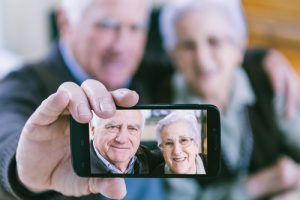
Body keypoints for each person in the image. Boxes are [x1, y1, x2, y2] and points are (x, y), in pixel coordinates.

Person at [0, 0, 299, 199]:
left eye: (136, 28)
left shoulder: (143, 71)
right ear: (65, 22)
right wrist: (21, 169)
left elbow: (208, 59)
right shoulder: (23, 84)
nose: (123, 44)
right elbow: (8, 131)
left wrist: (266, 58)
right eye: (107, 25)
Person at [159, 0, 300, 199]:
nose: (202, 58)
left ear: (239, 47)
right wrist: (259, 185)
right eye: (188, 46)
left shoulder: (269, 81)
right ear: (173, 55)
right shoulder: (163, 111)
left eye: (214, 41)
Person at [90, 110, 162, 174]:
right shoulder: (81, 168)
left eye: (132, 128)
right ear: (93, 130)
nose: (122, 140)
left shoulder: (146, 157)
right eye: (113, 127)